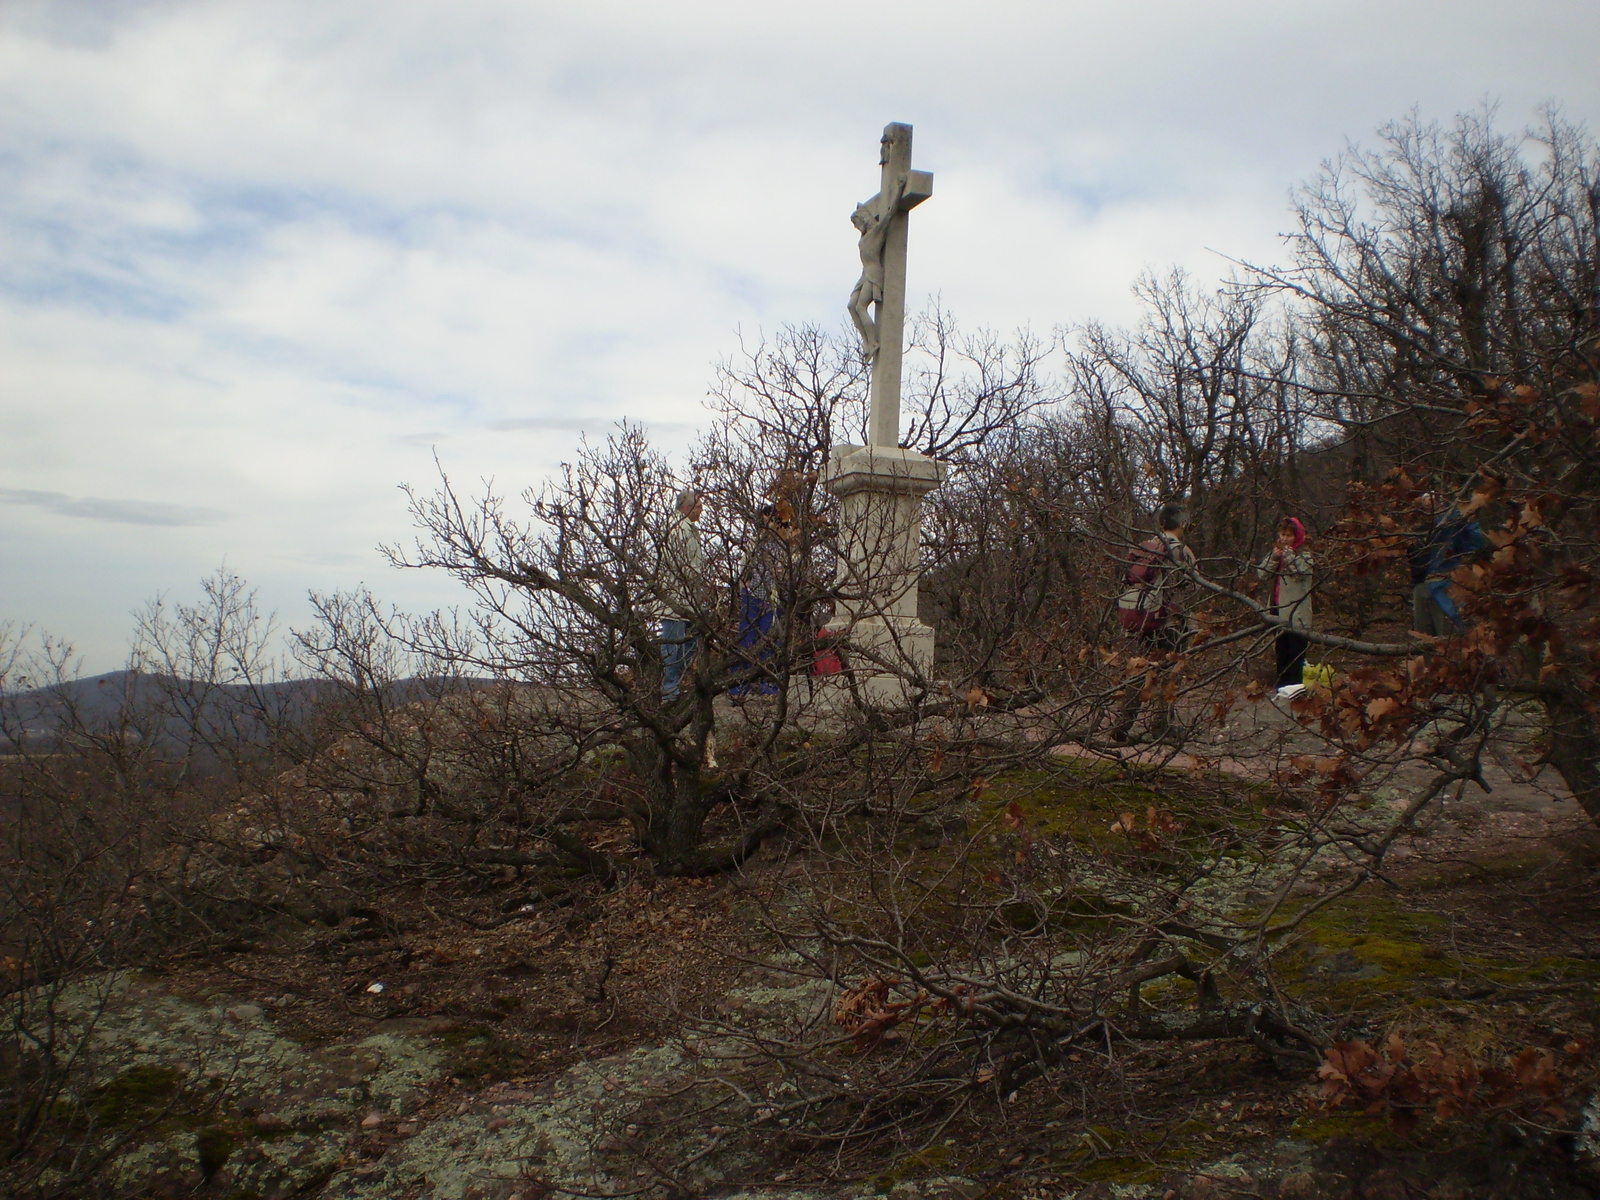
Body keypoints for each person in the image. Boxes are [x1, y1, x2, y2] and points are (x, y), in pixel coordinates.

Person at [1110, 502, 1196, 744]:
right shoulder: (1181, 551)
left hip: (1142, 616)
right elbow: (1192, 587)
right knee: (1168, 673)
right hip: (1169, 622)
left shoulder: (1146, 547)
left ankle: (1123, 725)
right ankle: (1161, 725)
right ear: (1182, 523)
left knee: (1139, 671)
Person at [730, 505, 789, 698]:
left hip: (772, 599)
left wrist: (782, 575)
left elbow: (787, 572)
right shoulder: (753, 543)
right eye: (764, 520)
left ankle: (769, 685)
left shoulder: (782, 545)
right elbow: (743, 568)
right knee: (747, 641)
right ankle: (739, 686)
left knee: (770, 643)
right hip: (752, 597)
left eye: (771, 520)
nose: (767, 525)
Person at [1408, 494, 1488, 637]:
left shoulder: (1452, 526)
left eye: (1434, 501)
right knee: (1424, 640)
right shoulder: (1416, 529)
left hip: (1444, 587)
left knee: (1447, 638)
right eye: (1426, 502)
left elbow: (1476, 542)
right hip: (1420, 588)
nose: (1430, 505)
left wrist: (1461, 518)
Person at [1257, 517, 1314, 695]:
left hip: (1296, 613)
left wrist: (1289, 555)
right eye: (1282, 534)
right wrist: (1274, 557)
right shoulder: (1277, 554)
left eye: (1289, 535)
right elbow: (1262, 573)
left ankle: (1296, 689)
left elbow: (1301, 573)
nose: (1285, 538)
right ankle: (1282, 688)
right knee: (1281, 652)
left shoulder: (1304, 554)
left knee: (1295, 652)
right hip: (1278, 610)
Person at [658, 487, 705, 701]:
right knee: (673, 646)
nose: (701, 510)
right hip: (675, 598)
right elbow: (679, 564)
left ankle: (675, 684)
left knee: (690, 643)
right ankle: (669, 689)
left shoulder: (689, 529)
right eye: (698, 506)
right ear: (687, 508)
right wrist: (698, 576)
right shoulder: (677, 529)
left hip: (689, 599)